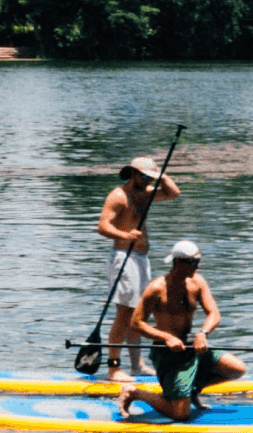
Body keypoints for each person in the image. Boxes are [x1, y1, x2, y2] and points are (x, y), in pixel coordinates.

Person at [118, 240, 247, 420]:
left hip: (192, 347)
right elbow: (136, 323)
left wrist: (202, 333)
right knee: (180, 414)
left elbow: (214, 314)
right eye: (194, 262)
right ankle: (135, 393)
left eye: (198, 260)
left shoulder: (197, 282)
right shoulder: (156, 288)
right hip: (167, 354)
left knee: (237, 369)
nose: (198, 265)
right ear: (178, 262)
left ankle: (191, 391)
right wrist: (166, 337)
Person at [97, 156, 181, 381]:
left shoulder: (145, 192)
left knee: (138, 314)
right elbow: (103, 226)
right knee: (124, 314)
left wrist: (161, 175)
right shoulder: (118, 196)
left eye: (150, 177)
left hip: (141, 259)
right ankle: (113, 368)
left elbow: (174, 193)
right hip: (123, 258)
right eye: (144, 176)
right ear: (133, 174)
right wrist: (125, 235)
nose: (147, 181)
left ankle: (137, 366)